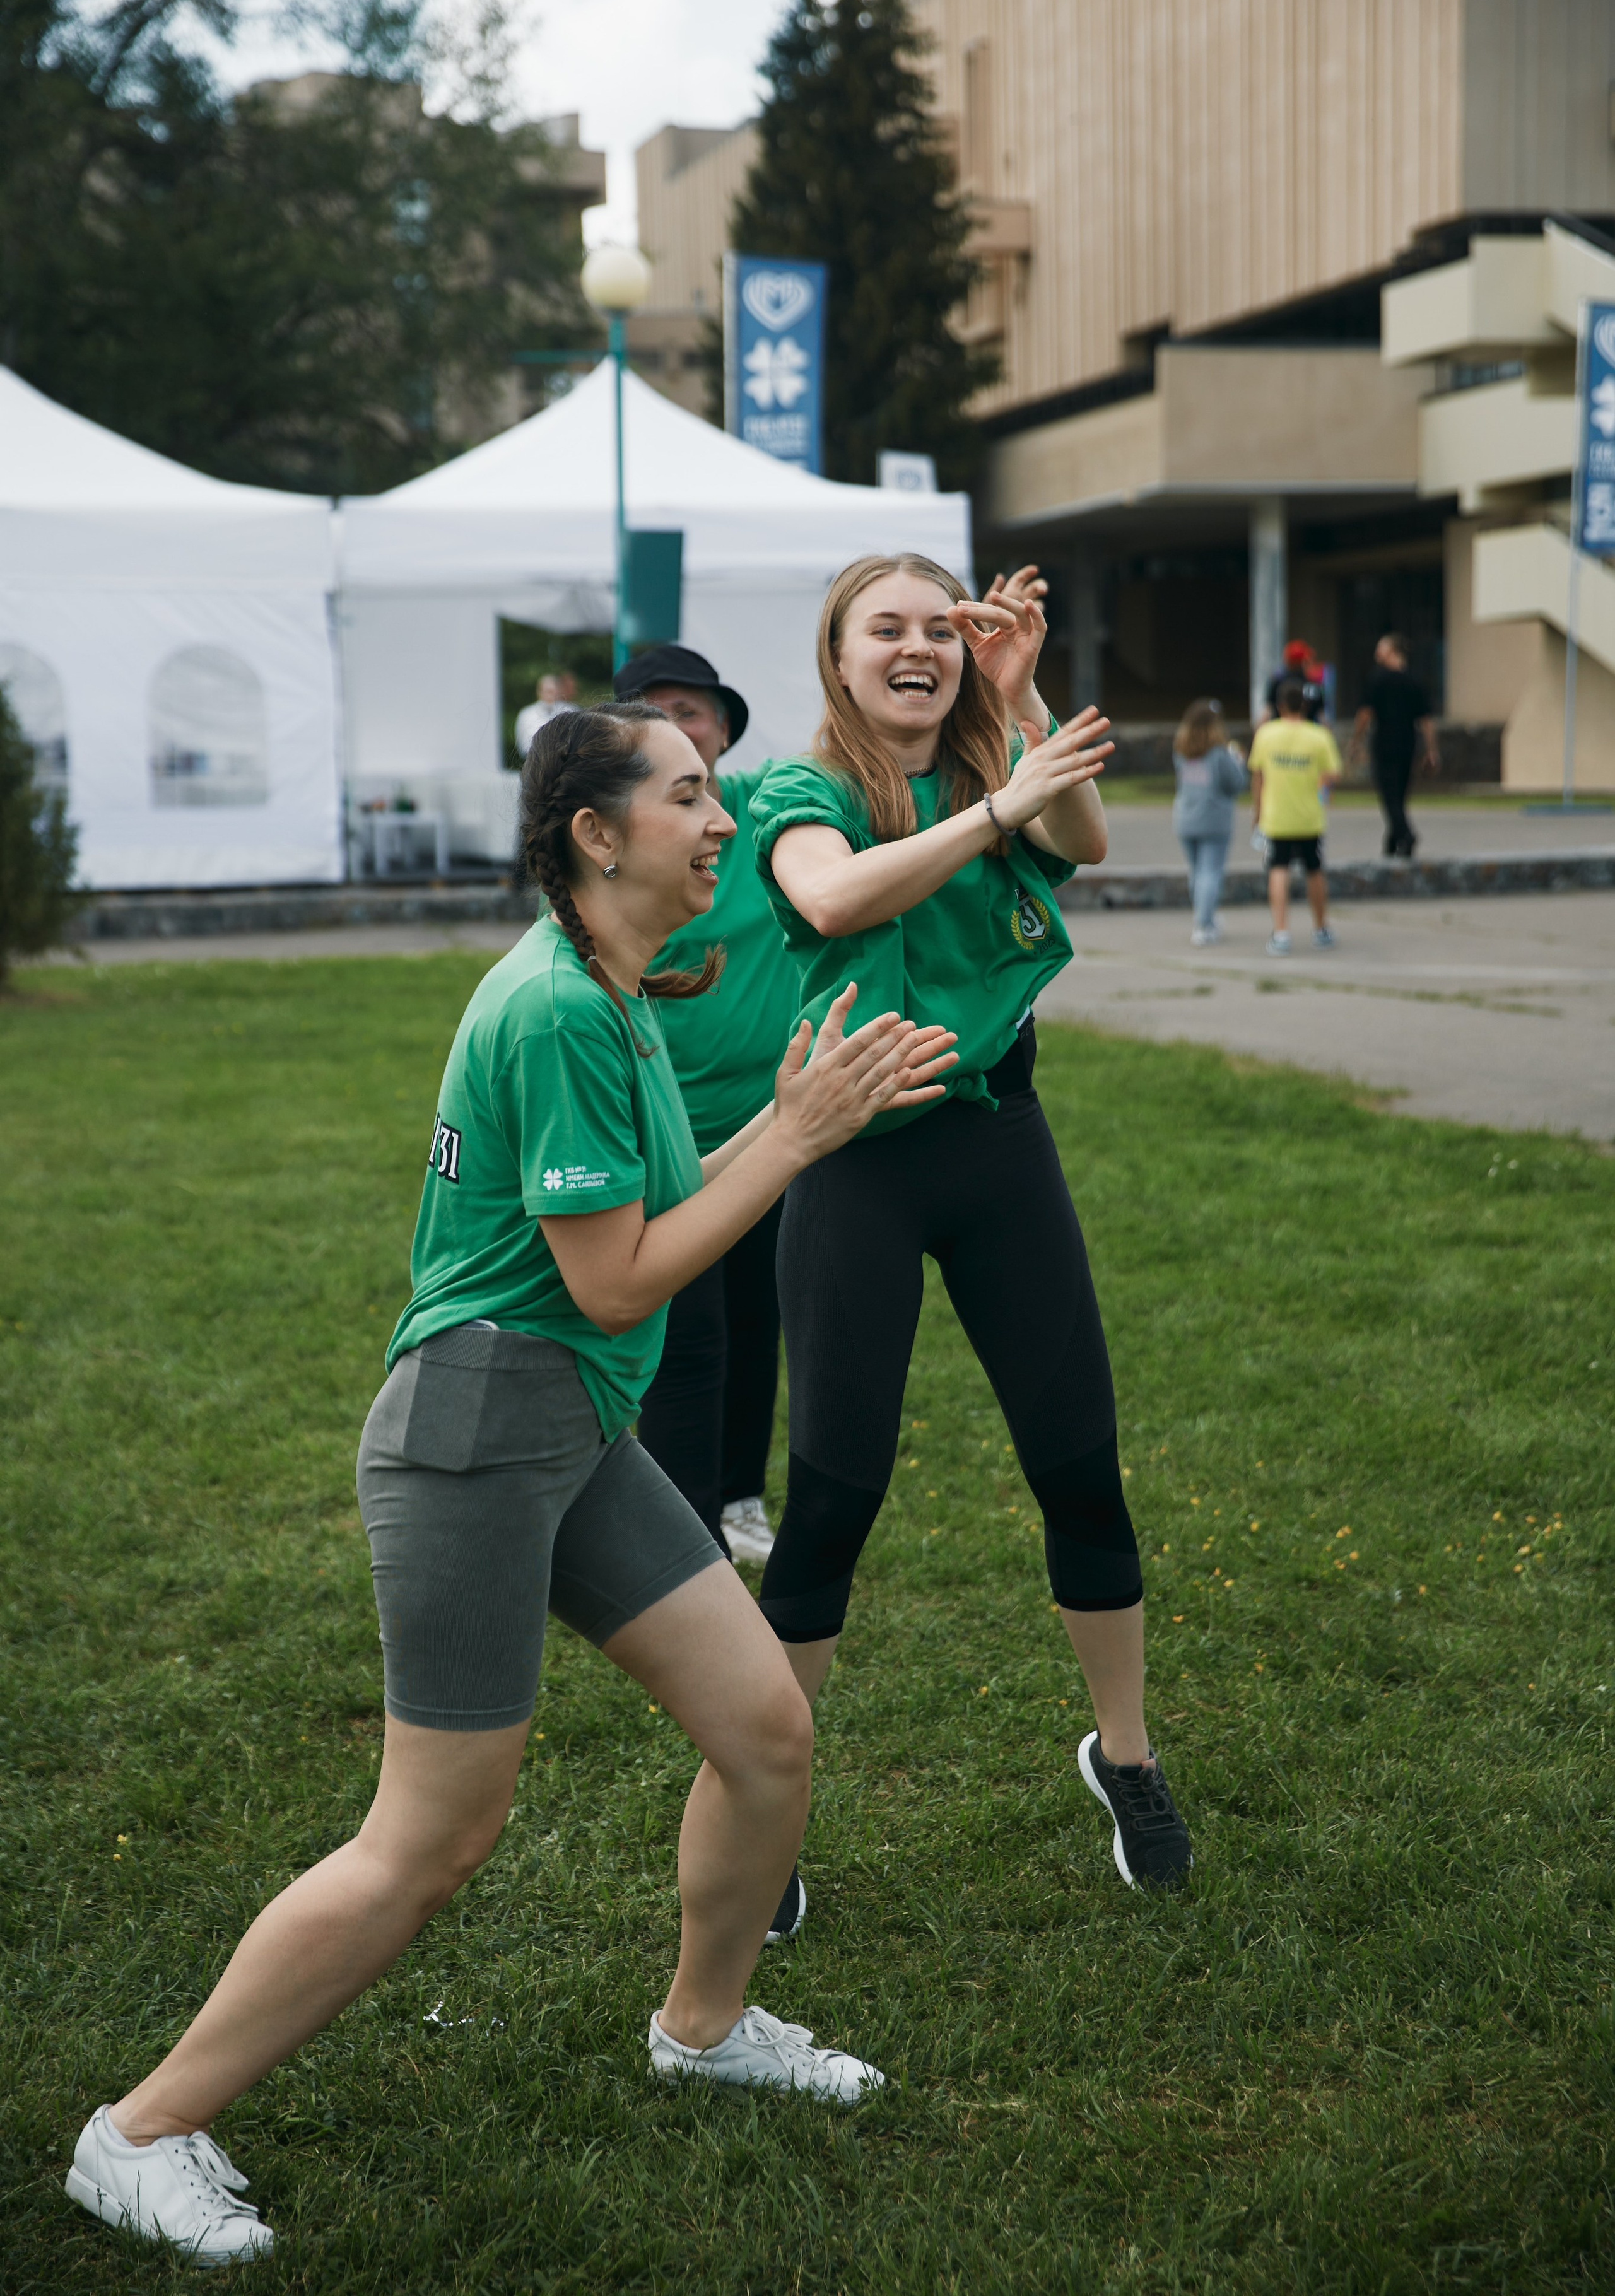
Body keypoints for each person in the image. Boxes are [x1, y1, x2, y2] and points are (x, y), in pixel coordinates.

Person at [64, 702, 957, 2267]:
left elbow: (649, 1230)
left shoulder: (615, 993)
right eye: (688, 797)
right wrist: (797, 1138)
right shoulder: (552, 1005)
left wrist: (789, 1111)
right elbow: (614, 1281)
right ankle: (138, 2131)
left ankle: (703, 2024)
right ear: (596, 835)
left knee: (763, 1730)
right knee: (431, 1835)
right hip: (478, 1431)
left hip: (562, 1428)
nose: (720, 823)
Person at [745, 551, 1195, 1938]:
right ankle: (764, 1810)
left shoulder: (992, 761)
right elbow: (830, 899)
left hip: (998, 1144)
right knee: (827, 1501)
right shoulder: (793, 792)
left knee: (1079, 1467)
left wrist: (1019, 699)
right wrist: (993, 801)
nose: (916, 649)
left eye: (939, 630)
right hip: (853, 1168)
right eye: (885, 629)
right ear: (836, 657)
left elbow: (1085, 846)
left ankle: (1123, 1757)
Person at [621, 644, 799, 1579]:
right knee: (688, 1333)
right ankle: (681, 1534)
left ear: (724, 731)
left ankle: (737, 1496)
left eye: (689, 710)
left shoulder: (771, 806)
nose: (674, 726)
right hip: (664, 1135)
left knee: (758, 1317)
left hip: (772, 1126)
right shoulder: (614, 843)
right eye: (650, 713)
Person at [1248, 679, 1342, 956]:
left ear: (1278, 706)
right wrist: (1320, 787)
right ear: (1304, 704)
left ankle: (1281, 933)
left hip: (1277, 817)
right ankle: (1321, 928)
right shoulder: (1318, 735)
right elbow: (1333, 773)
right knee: (1314, 870)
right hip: (1309, 817)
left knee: (1278, 870)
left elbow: (1258, 776)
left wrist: (1258, 812)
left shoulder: (1266, 734)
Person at [1351, 631, 1439, 858]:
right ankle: (1393, 841)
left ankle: (1406, 835)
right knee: (1399, 793)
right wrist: (1431, 749)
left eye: (1381, 648)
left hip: (1384, 742)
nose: (1376, 653)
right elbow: (1426, 720)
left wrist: (1356, 741)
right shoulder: (1415, 680)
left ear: (1392, 652)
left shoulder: (1377, 679)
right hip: (1408, 742)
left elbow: (1365, 714)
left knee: (1389, 794)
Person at [1171, 697, 1244, 945]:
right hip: (1213, 822)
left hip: (1185, 819)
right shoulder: (1220, 754)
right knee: (1210, 873)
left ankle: (1206, 917)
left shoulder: (1180, 750)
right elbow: (1236, 784)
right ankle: (1203, 926)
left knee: (1197, 873)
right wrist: (1239, 762)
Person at [514, 671, 578, 762]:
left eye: (553, 691)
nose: (551, 695)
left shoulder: (571, 711)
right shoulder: (527, 714)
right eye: (548, 691)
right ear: (539, 692)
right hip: (535, 762)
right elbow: (524, 745)